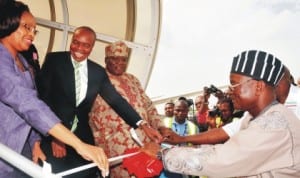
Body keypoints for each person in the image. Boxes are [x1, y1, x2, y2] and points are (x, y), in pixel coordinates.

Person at [145, 50, 300, 177]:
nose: (229, 91)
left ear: (258, 87)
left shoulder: (275, 124)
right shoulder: (256, 116)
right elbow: (225, 138)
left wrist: (163, 154)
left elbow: (223, 160)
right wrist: (181, 140)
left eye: (234, 84)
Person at [0, 1, 108, 178]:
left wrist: (35, 142)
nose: (31, 34)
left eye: (34, 30)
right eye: (27, 27)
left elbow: (34, 101)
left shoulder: (23, 61)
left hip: (22, 151)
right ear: (8, 22)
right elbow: (27, 104)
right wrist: (78, 145)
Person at [37, 29, 162, 177]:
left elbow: (116, 101)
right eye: (76, 43)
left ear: (92, 47)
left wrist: (143, 125)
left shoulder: (97, 72)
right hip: (53, 130)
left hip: (81, 135)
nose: (79, 49)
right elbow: (42, 97)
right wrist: (56, 137)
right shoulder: (54, 60)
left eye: (85, 45)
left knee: (86, 173)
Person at [88, 41, 165, 178]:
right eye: (115, 59)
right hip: (119, 150)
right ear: (106, 60)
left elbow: (148, 106)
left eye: (123, 59)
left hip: (146, 145)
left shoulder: (132, 79)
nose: (120, 63)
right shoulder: (97, 80)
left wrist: (161, 126)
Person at [160, 98, 199, 178]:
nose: (180, 113)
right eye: (177, 110)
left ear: (187, 111)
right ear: (173, 110)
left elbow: (197, 147)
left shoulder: (193, 127)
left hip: (188, 166)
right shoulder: (163, 124)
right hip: (168, 166)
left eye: (183, 110)